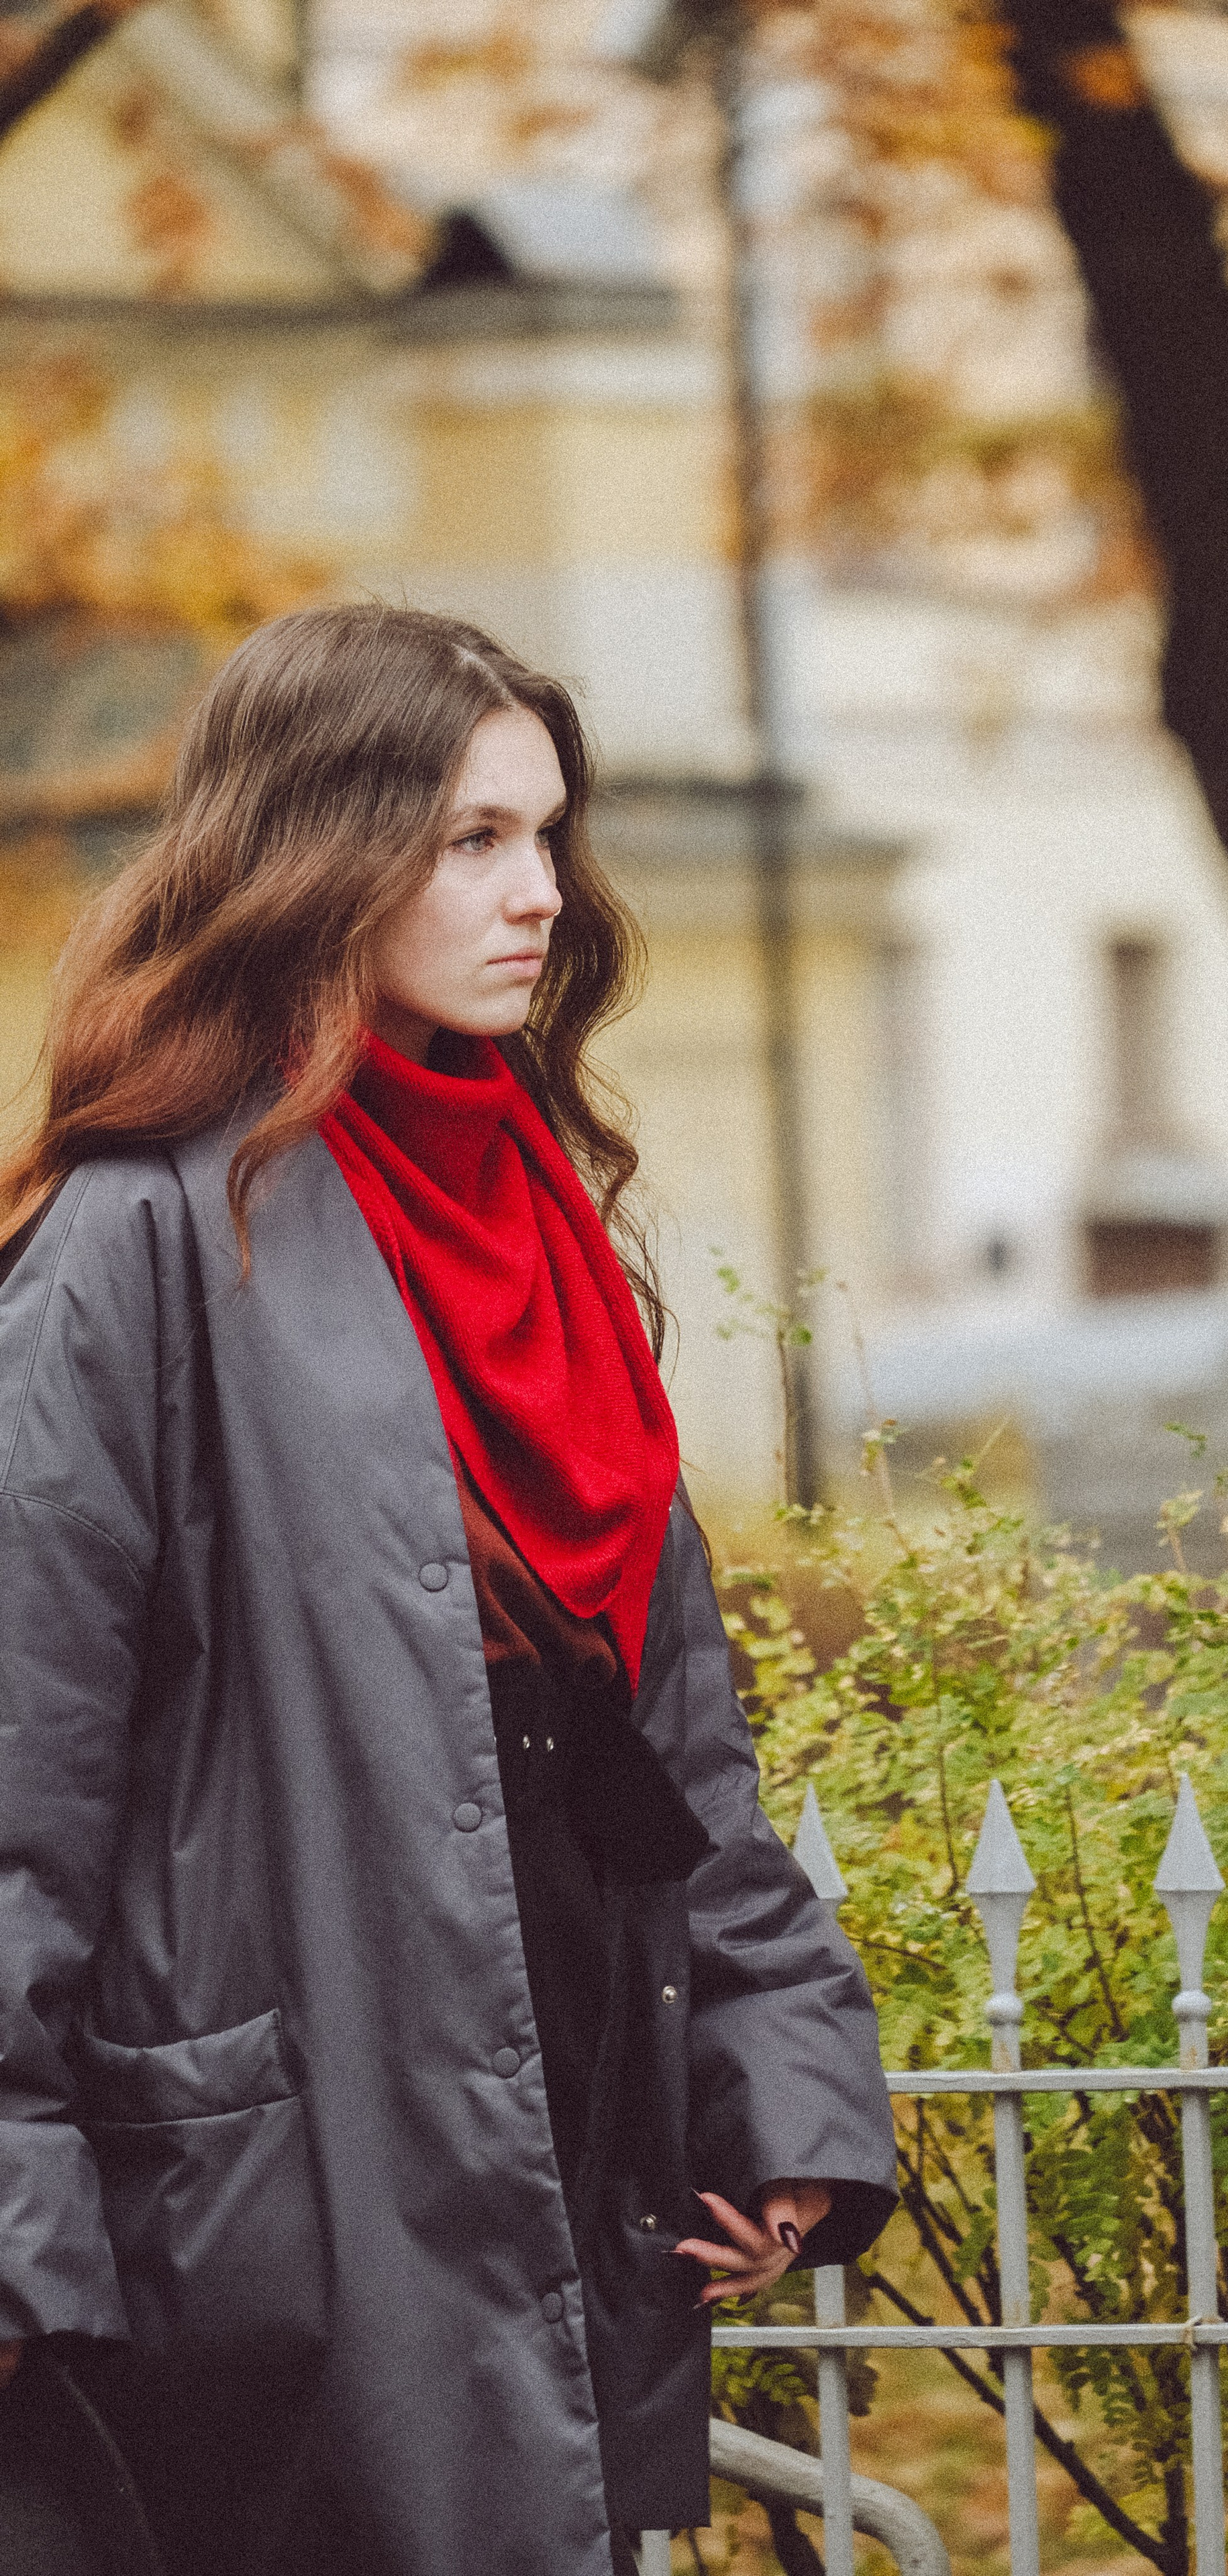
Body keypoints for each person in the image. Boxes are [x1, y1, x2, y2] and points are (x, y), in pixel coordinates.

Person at [0, 606, 897, 2576]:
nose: (543, 896)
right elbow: (17, 1781)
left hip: (571, 2079)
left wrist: (780, 2083)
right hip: (272, 2170)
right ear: (318, 856)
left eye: (550, 837)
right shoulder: (139, 1234)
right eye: (474, 841)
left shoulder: (543, 1216)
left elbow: (663, 1731)